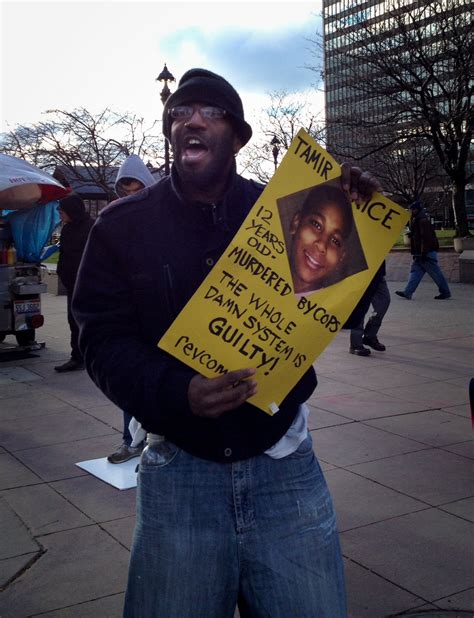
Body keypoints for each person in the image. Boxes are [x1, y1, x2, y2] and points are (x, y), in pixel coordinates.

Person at [73, 68, 380, 617]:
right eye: (180, 113)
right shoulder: (121, 226)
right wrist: (175, 391)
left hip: (284, 463)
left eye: (210, 113)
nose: (190, 120)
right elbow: (100, 338)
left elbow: (341, 310)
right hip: (179, 472)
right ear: (170, 132)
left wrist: (358, 234)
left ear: (238, 137)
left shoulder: (291, 214)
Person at [107, 154, 156, 464]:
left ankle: (154, 438)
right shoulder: (116, 219)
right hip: (131, 314)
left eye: (135, 189)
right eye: (124, 191)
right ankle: (131, 439)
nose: (129, 196)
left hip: (160, 312)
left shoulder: (164, 216)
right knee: (130, 380)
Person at [287, 183, 354, 295]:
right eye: (316, 224)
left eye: (335, 241)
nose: (322, 245)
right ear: (296, 223)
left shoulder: (337, 307)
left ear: (341, 257)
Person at [54, 194, 93, 372]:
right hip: (72, 284)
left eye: (62, 211)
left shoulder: (92, 228)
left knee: (90, 322)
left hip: (90, 285)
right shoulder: (67, 229)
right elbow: (64, 255)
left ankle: (91, 356)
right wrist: (62, 273)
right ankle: (77, 356)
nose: (60, 215)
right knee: (73, 320)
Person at [396, 201, 451, 300]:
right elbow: (420, 236)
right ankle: (408, 292)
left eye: (411, 209)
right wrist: (412, 235)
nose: (410, 211)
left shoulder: (422, 221)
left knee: (435, 274)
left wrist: (423, 252)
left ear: (416, 209)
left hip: (425, 253)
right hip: (421, 253)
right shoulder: (418, 219)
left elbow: (426, 238)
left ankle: (445, 292)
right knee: (416, 272)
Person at [350, 261, 390, 356]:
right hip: (361, 269)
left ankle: (369, 335)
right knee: (360, 306)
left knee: (384, 301)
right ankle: (356, 344)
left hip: (377, 270)